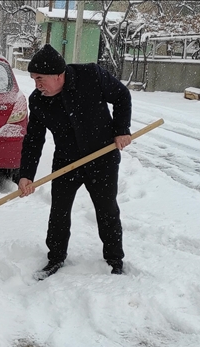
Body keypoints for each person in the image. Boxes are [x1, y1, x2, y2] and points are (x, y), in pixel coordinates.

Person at [17, 44, 132, 280]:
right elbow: (33, 139)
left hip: (102, 157)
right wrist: (26, 174)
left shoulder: (91, 76)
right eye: (33, 79)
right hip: (67, 160)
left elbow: (122, 96)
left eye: (40, 79)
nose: (37, 84)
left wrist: (122, 129)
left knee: (107, 209)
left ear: (59, 74)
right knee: (59, 210)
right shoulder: (38, 101)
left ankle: (114, 259)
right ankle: (55, 257)